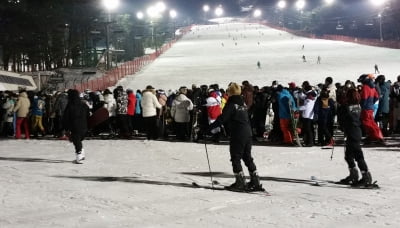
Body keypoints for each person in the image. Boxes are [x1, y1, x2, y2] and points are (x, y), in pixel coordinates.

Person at [214, 82, 264, 192]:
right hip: (247, 132)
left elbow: (223, 118)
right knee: (247, 157)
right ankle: (255, 181)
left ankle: (240, 182)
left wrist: (209, 128)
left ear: (230, 92)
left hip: (238, 133)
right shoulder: (242, 104)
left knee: (235, 157)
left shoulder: (231, 104)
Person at [337, 88, 373, 186]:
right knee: (348, 155)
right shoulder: (358, 105)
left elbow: (342, 120)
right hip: (356, 131)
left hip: (352, 131)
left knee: (358, 155)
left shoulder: (345, 107)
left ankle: (366, 176)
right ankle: (353, 174)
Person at [63, 89, 89, 164]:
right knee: (78, 140)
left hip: (75, 126)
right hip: (84, 126)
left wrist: (66, 128)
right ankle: (82, 154)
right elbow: (88, 115)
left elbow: (66, 117)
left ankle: (79, 156)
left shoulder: (70, 105)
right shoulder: (83, 104)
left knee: (76, 140)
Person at [357, 74, 385, 144]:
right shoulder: (372, 87)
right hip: (370, 107)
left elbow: (364, 98)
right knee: (371, 122)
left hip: (366, 108)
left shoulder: (366, 87)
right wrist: (371, 103)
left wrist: (362, 105)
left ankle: (375, 136)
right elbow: (376, 96)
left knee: (366, 122)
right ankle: (376, 136)